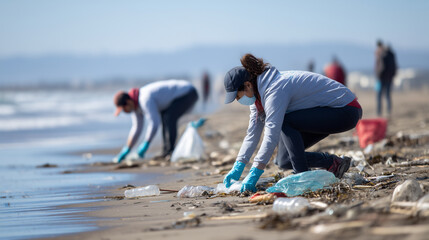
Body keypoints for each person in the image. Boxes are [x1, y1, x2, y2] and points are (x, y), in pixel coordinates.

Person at [223, 53, 362, 192]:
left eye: (237, 96)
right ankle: (334, 163)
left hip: (345, 110)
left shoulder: (275, 89)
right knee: (284, 160)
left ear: (247, 85)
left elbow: (271, 133)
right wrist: (238, 166)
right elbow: (252, 134)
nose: (237, 100)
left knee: (286, 121)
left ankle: (302, 178)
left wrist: (255, 173)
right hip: (328, 112)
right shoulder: (256, 98)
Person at [113, 80, 198, 163]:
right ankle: (166, 152)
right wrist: (127, 148)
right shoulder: (135, 107)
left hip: (188, 92)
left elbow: (154, 123)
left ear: (128, 102)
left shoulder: (144, 99)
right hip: (180, 96)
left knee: (169, 117)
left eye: (124, 109)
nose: (125, 112)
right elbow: (137, 128)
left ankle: (170, 151)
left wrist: (146, 143)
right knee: (165, 117)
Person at [375, 40, 397, 116]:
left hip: (381, 78)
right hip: (389, 78)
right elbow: (395, 67)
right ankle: (389, 111)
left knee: (379, 95)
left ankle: (379, 112)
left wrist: (378, 75)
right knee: (388, 95)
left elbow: (381, 67)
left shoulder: (381, 54)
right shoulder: (391, 54)